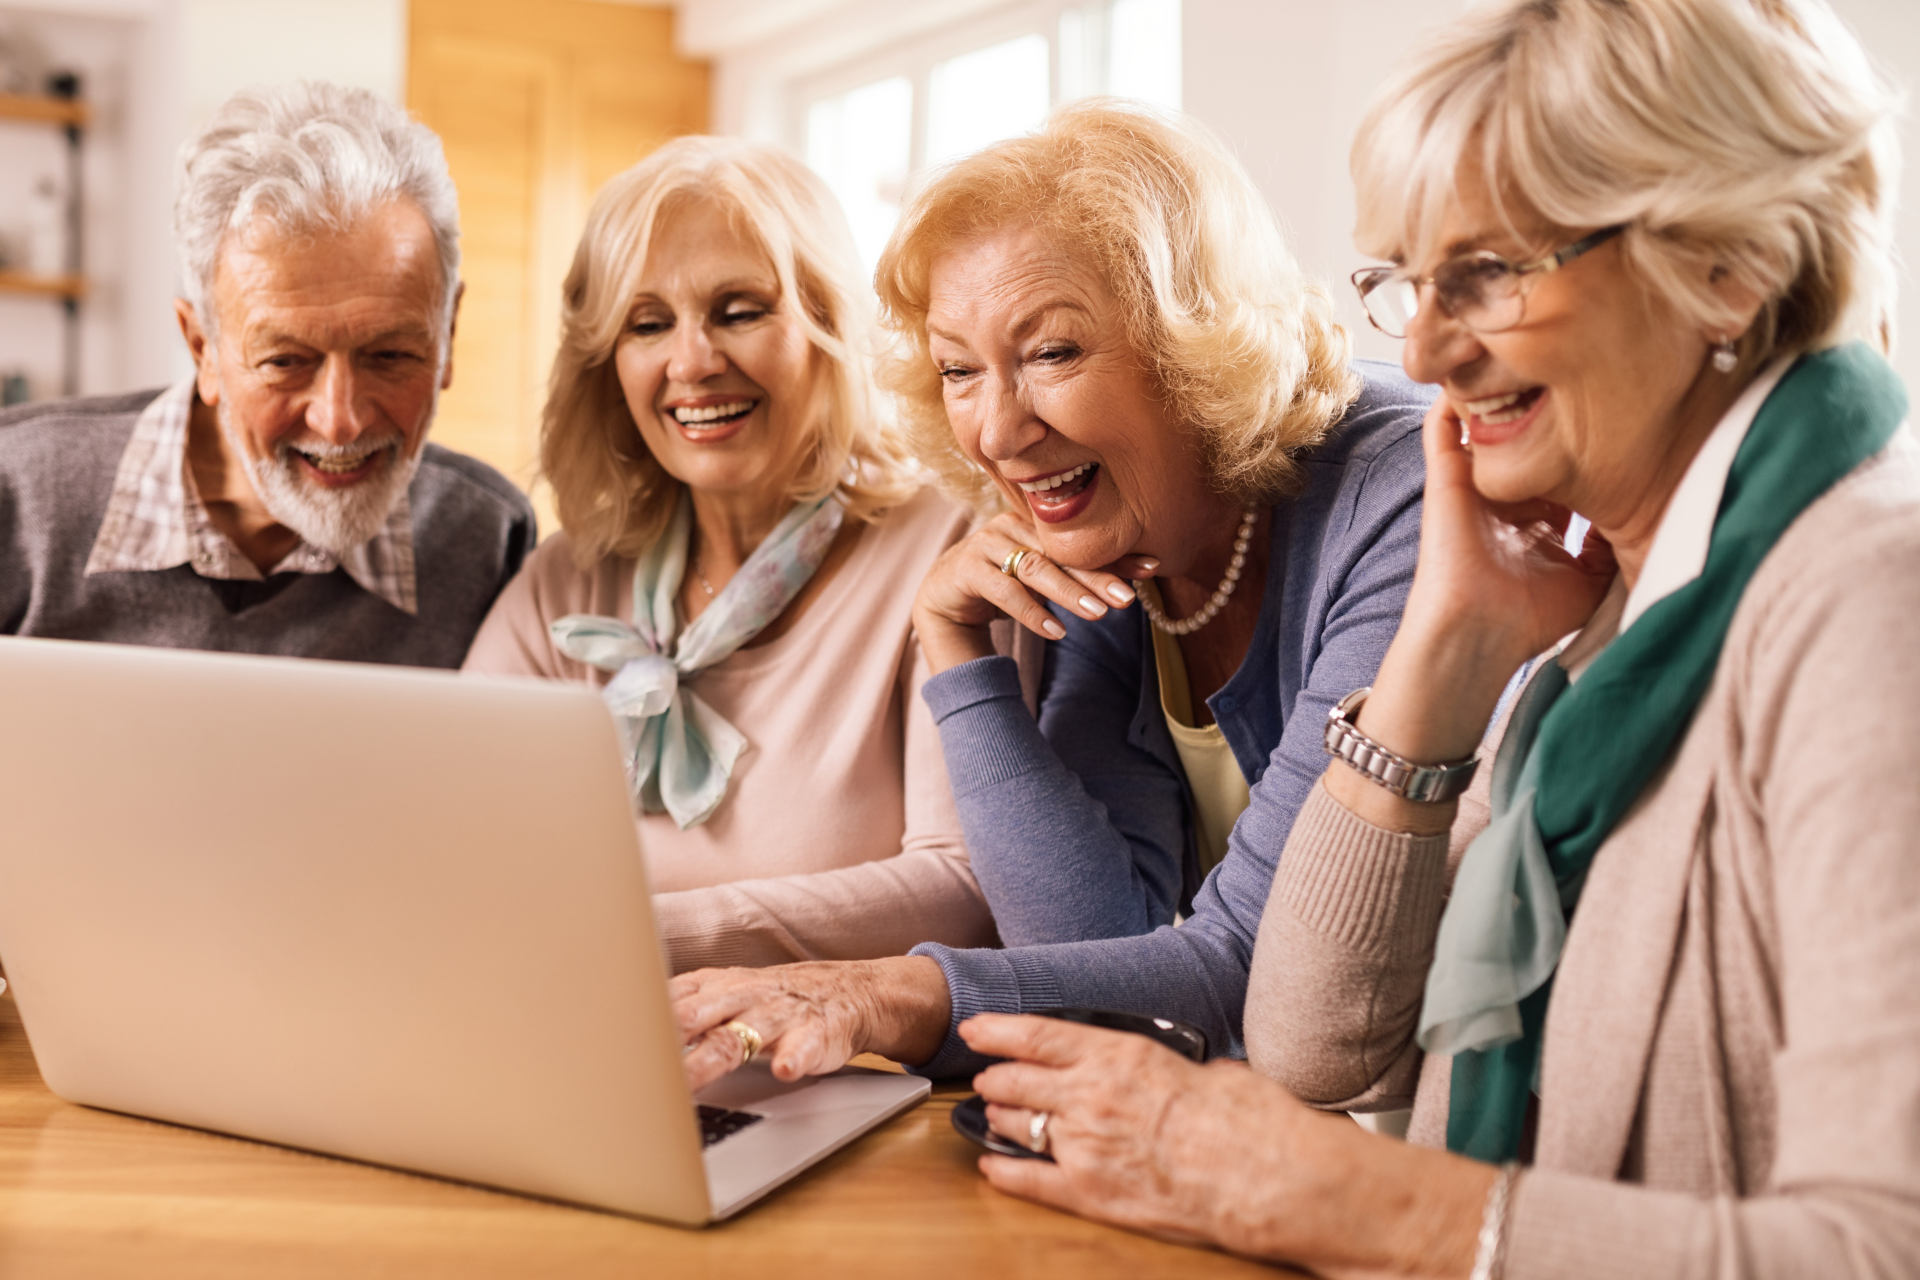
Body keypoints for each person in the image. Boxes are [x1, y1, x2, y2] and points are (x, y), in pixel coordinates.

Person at [867, 1, 1919, 1275]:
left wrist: (1353, 1200)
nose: (1420, 345)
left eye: (1490, 272)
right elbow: (1314, 1037)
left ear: (1727, 265)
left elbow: (1881, 1245)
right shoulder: (1607, 612)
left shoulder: (1866, 597)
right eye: (1409, 282)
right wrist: (1440, 665)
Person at [671, 103, 1431, 1084]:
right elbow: (1088, 941)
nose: (994, 429)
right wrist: (956, 650)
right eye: (957, 369)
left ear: (1195, 342)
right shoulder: (1110, 532)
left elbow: (1256, 963)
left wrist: (889, 994)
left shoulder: (1400, 490)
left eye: (1052, 353)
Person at [461, 137, 996, 974]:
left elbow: (965, 891)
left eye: (739, 310)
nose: (693, 362)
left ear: (827, 324)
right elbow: (452, 852)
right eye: (647, 324)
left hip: (859, 1078)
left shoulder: (951, 546)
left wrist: (634, 938)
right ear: (608, 364)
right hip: (586, 1050)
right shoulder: (562, 585)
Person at [0, 83, 534, 666]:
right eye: (286, 361)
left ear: (447, 336)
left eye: (390, 356)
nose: (339, 422)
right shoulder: (17, 494)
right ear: (202, 348)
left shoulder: (487, 538)